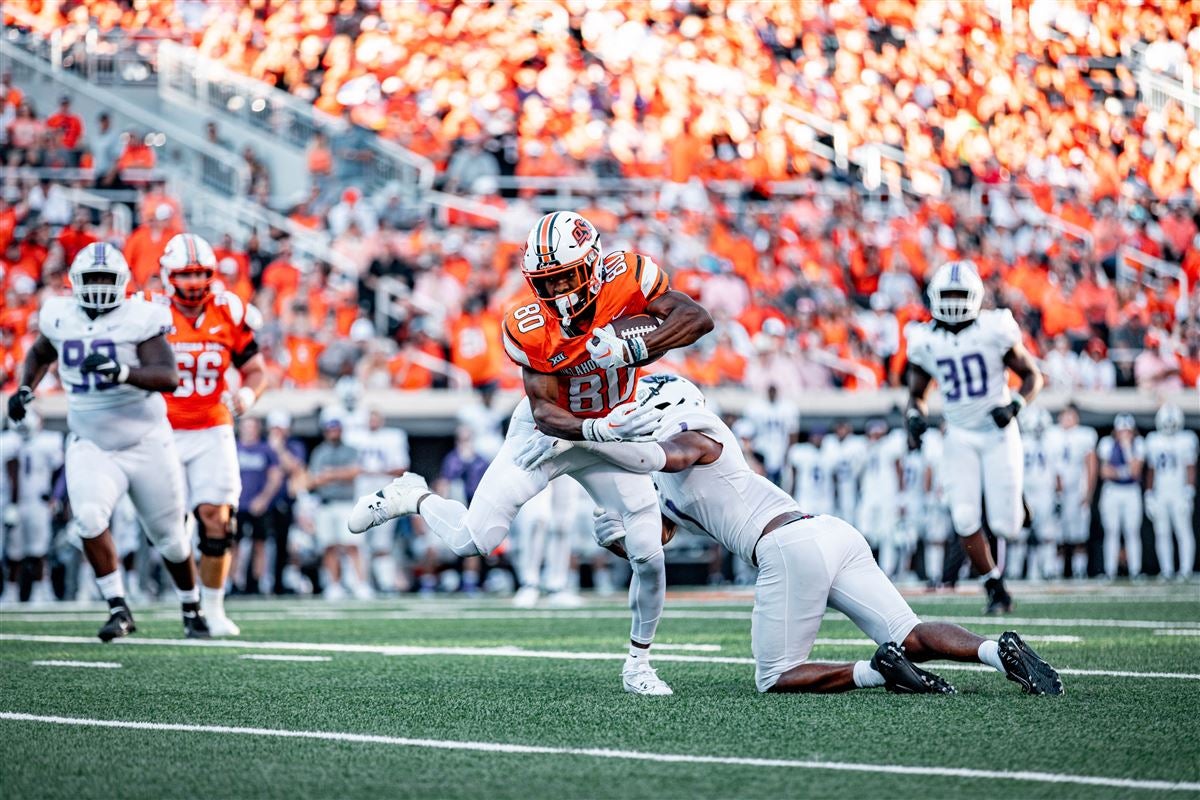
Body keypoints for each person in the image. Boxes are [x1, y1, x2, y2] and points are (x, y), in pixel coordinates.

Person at [350, 210, 713, 695]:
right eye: (546, 281)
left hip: (615, 430)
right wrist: (596, 427)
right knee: (473, 540)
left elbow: (697, 318)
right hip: (554, 436)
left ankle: (638, 665)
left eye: (564, 276)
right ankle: (413, 495)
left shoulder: (627, 276)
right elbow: (544, 410)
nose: (556, 291)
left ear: (591, 264)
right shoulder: (529, 323)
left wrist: (633, 348)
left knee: (648, 552)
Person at [542, 375, 1063, 696]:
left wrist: (592, 442)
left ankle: (879, 673)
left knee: (775, 677)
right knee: (910, 632)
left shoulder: (697, 436)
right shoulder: (667, 477)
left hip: (787, 549)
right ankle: (998, 651)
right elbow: (654, 542)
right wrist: (618, 531)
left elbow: (667, 454)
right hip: (828, 533)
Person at [6, 243, 209, 640]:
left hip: (146, 440)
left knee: (170, 537)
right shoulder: (59, 315)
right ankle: (118, 606)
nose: (99, 286)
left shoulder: (139, 317)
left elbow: (168, 376)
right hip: (92, 441)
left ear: (122, 283)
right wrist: (25, 388)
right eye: (92, 279)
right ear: (75, 283)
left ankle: (192, 605)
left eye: (106, 279)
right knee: (88, 518)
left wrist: (121, 372)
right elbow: (41, 352)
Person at [905, 260, 1044, 614]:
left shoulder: (994, 329)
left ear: (976, 296)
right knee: (964, 517)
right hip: (959, 435)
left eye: (959, 294)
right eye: (947, 295)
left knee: (1006, 526)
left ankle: (1017, 502)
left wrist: (1014, 405)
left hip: (998, 433)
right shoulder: (925, 339)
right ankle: (994, 586)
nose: (953, 301)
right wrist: (914, 416)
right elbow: (917, 394)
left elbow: (1032, 377)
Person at [152, 233, 269, 636]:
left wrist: (249, 395)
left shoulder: (228, 310)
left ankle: (214, 609)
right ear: (168, 275)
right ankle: (188, 604)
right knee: (171, 528)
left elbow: (256, 368)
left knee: (219, 520)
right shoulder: (148, 312)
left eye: (202, 272)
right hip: (161, 430)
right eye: (186, 274)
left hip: (212, 426)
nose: (195, 281)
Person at [345, 409, 410, 593]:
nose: (373, 422)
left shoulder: (393, 437)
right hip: (359, 497)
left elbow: (401, 467)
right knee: (357, 542)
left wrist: (374, 472)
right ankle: (359, 583)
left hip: (384, 497)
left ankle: (386, 583)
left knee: (382, 544)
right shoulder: (355, 437)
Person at [308, 417, 368, 599]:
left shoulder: (350, 450)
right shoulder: (319, 452)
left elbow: (355, 472)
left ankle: (360, 584)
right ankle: (334, 585)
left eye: (336, 429)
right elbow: (314, 479)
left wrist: (331, 474)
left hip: (345, 502)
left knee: (352, 544)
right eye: (330, 430)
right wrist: (335, 475)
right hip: (326, 504)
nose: (333, 433)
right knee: (329, 546)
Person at [8, 411, 63, 602]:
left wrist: (55, 497)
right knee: (13, 550)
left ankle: (41, 590)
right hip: (13, 502)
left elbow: (59, 470)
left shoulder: (49, 441)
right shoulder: (9, 441)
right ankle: (11, 592)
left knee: (39, 549)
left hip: (38, 502)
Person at [1144, 404, 1196, 580]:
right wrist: (1149, 493)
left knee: (1183, 531)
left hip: (1179, 491)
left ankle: (1186, 569)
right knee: (1162, 532)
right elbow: (1151, 469)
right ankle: (1166, 569)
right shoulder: (1153, 440)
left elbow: (1190, 466)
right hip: (1161, 492)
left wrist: (1189, 490)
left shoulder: (1187, 439)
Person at [235, 416, 283, 594]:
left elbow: (275, 476)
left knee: (259, 544)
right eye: (245, 426)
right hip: (236, 504)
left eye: (251, 426)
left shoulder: (266, 450)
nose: (248, 430)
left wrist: (263, 499)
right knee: (233, 545)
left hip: (258, 505)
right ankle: (232, 583)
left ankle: (257, 582)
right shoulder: (233, 448)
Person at [1098, 414, 1146, 580]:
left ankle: (1135, 570)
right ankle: (1110, 571)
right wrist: (1124, 471)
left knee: (1132, 531)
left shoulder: (1138, 444)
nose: (1124, 434)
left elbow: (1135, 471)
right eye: (1121, 430)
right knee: (1112, 531)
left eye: (1127, 430)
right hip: (1112, 491)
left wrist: (1126, 449)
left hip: (1131, 490)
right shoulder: (1106, 444)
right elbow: (1104, 472)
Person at [1055, 404, 1098, 579]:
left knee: (1079, 535)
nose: (1067, 419)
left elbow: (1091, 465)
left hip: (1077, 490)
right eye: (1065, 415)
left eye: (1070, 416)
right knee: (1058, 536)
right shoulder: (1052, 435)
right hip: (1057, 493)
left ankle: (1079, 571)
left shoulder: (1084, 435)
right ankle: (1056, 572)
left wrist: (1088, 492)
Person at [1019, 407, 1062, 581]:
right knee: (1021, 535)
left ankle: (1048, 567)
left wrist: (1058, 495)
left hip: (1044, 492)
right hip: (1028, 492)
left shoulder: (1052, 442)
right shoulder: (1021, 443)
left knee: (1046, 533)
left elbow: (1057, 472)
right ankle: (1018, 570)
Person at [784, 430, 835, 516]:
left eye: (820, 436)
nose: (818, 439)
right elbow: (793, 473)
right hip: (806, 496)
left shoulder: (830, 453)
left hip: (824, 497)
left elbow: (834, 477)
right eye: (816, 436)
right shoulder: (802, 451)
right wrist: (791, 492)